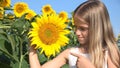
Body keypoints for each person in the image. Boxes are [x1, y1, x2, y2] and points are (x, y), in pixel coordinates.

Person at [29, 0, 120, 68]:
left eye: (83, 29)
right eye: (76, 27)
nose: (77, 32)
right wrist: (32, 49)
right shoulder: (71, 53)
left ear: (98, 28)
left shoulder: (109, 52)